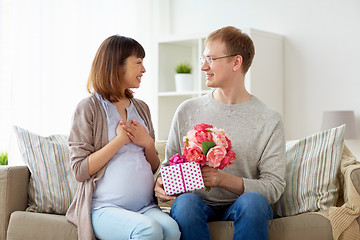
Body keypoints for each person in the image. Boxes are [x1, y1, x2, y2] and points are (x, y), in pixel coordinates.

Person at [154, 26, 286, 240]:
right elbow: (169, 168)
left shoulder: (269, 119)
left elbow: (273, 187)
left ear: (236, 62)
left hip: (243, 205)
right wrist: (162, 185)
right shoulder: (187, 110)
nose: (204, 67)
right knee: (186, 203)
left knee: (253, 203)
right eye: (203, 59)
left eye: (212, 59)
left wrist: (223, 180)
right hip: (195, 203)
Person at [66, 35, 180, 240]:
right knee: (149, 230)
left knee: (172, 230)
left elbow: (153, 166)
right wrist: (119, 141)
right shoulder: (89, 108)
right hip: (103, 208)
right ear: (116, 65)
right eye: (138, 63)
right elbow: (80, 170)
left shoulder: (141, 108)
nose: (144, 70)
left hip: (144, 207)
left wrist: (148, 143)